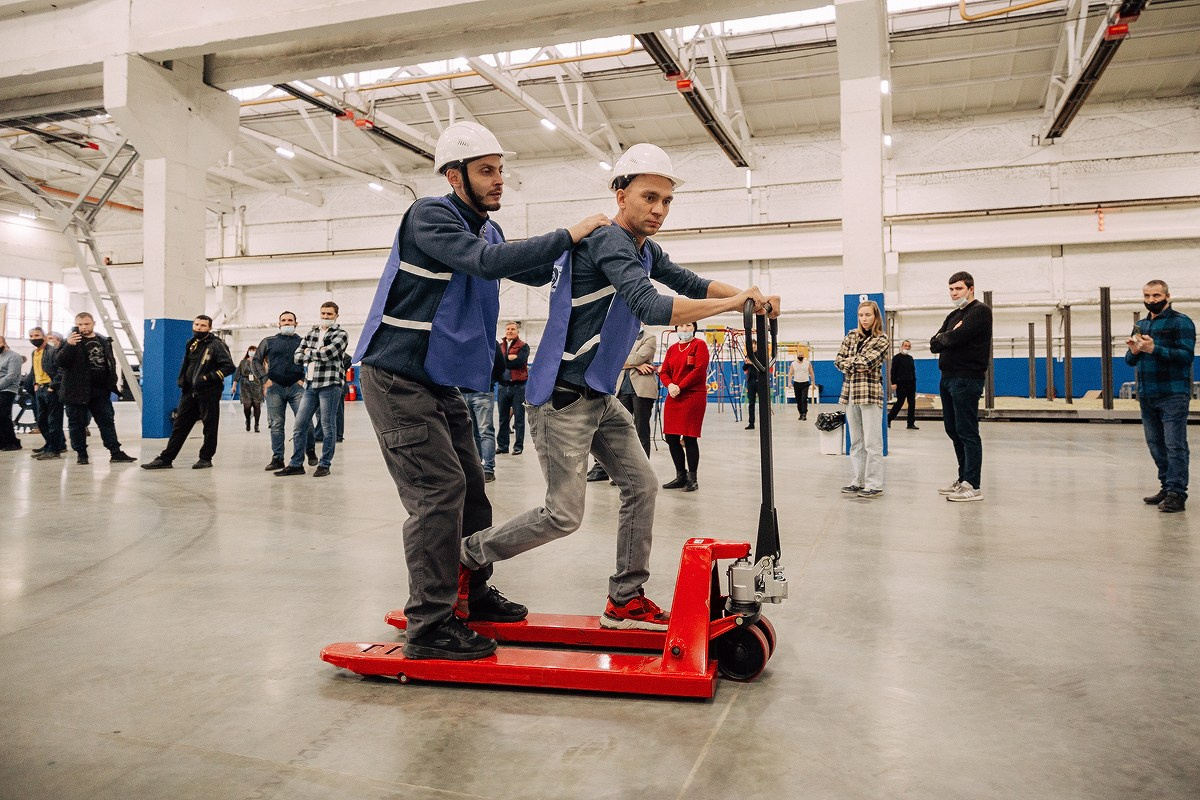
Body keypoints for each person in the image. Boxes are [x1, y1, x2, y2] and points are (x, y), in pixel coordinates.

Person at [460, 142, 778, 633]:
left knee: (642, 486)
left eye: (667, 201)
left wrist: (745, 297)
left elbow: (689, 282)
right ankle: (466, 557)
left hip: (597, 395)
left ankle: (625, 598)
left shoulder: (644, 248)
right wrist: (733, 304)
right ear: (620, 193)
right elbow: (651, 306)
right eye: (650, 197)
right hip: (563, 400)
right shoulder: (608, 241)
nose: (659, 210)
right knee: (562, 515)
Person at [355, 120, 611, 660]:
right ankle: (429, 625)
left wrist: (594, 253)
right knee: (437, 494)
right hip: (397, 377)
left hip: (437, 378)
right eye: (486, 171)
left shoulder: (486, 228)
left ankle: (472, 591)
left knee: (472, 488)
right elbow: (484, 262)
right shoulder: (430, 216)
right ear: (454, 176)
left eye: (500, 170)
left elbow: (530, 267)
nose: (499, 180)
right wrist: (568, 234)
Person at [1126, 279, 1194, 513]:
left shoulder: (1181, 322)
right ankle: (1166, 486)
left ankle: (1177, 493)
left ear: (1167, 296)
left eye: (1156, 296)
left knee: (1174, 444)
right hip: (1147, 394)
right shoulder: (1141, 325)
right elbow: (1129, 359)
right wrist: (1135, 351)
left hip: (1173, 393)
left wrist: (1155, 349)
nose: (1151, 300)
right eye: (1147, 296)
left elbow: (1186, 356)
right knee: (1155, 444)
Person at [930, 271, 993, 503]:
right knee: (953, 429)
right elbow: (934, 343)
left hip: (967, 378)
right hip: (947, 377)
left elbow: (955, 338)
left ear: (971, 289)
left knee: (967, 431)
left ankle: (973, 485)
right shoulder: (953, 315)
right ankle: (962, 478)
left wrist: (947, 338)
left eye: (958, 289)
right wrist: (948, 336)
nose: (954, 293)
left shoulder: (980, 312)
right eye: (951, 289)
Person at [142, 315, 235, 470]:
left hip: (208, 392)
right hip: (189, 392)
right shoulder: (191, 343)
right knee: (179, 426)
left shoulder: (217, 345)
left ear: (209, 328)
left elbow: (229, 367)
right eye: (197, 324)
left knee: (209, 427)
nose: (199, 328)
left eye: (203, 326)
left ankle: (205, 458)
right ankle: (166, 459)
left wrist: (207, 378)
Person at [275, 301, 349, 478]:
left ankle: (324, 464)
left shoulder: (341, 334)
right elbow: (297, 357)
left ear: (336, 316)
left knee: (327, 426)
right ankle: (296, 464)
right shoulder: (312, 333)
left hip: (330, 385)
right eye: (323, 313)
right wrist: (315, 351)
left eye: (329, 314)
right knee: (299, 425)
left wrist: (310, 352)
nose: (325, 316)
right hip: (310, 385)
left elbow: (328, 354)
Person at [56, 312, 138, 465]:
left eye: (86, 324)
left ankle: (115, 452)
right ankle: (82, 454)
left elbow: (110, 362)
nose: (83, 327)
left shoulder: (103, 340)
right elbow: (61, 362)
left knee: (106, 421)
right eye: (80, 324)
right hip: (76, 391)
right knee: (77, 423)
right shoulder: (69, 342)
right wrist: (69, 345)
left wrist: (111, 381)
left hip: (100, 390)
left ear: (93, 323)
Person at [588, 327, 660, 482]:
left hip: (642, 389)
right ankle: (620, 472)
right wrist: (635, 364)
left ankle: (641, 473)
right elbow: (613, 359)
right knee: (619, 431)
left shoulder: (650, 337)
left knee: (641, 431)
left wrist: (630, 362)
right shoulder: (622, 336)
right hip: (622, 389)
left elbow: (633, 358)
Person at [835, 300, 889, 499]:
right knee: (856, 441)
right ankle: (857, 481)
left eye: (868, 315)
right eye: (861, 315)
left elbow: (868, 361)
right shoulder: (851, 335)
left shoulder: (881, 339)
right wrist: (853, 363)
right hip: (850, 394)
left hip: (870, 394)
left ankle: (874, 484)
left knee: (872, 442)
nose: (864, 319)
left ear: (875, 317)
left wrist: (850, 362)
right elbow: (838, 361)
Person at [255, 311, 317, 472]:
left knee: (306, 423)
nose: (287, 323)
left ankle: (310, 450)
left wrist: (305, 380)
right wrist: (264, 379)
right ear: (279, 323)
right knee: (276, 424)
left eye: (290, 320)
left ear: (296, 323)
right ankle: (277, 458)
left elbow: (314, 361)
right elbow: (256, 360)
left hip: (297, 387)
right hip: (275, 388)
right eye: (284, 320)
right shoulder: (269, 341)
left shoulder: (303, 342)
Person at [659, 322, 709, 492]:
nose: (684, 329)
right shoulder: (672, 349)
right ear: (676, 329)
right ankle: (681, 475)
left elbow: (699, 370)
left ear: (694, 328)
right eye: (680, 326)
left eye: (688, 325)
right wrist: (670, 385)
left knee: (689, 437)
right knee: (671, 437)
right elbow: (664, 371)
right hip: (674, 394)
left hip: (693, 395)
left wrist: (679, 386)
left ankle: (692, 479)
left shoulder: (699, 345)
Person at [461, 340, 504, 483]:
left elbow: (500, 366)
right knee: (473, 432)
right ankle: (477, 467)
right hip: (465, 392)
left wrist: (489, 381)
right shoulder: (489, 341)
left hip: (480, 392)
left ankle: (488, 468)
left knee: (485, 432)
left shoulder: (490, 342)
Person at [28, 327, 66, 457]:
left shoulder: (52, 351)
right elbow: (34, 370)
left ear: (44, 336)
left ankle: (54, 450)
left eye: (37, 335)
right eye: (31, 336)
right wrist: (35, 384)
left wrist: (53, 386)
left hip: (51, 389)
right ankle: (50, 444)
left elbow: (61, 370)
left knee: (53, 420)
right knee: (41, 420)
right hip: (40, 389)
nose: (34, 338)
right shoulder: (34, 353)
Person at [495, 321, 528, 456]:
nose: (510, 331)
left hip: (518, 387)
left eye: (512, 329)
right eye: (508, 329)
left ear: (517, 331)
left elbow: (519, 362)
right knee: (503, 419)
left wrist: (506, 361)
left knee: (519, 419)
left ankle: (518, 446)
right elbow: (498, 362)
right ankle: (503, 446)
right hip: (503, 386)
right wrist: (508, 359)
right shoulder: (501, 345)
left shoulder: (524, 346)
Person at [888, 339, 918, 430]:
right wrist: (893, 382)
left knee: (912, 404)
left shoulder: (910, 358)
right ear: (902, 346)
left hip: (911, 383)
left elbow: (912, 371)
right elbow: (893, 371)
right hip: (901, 384)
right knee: (899, 403)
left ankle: (910, 423)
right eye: (905, 346)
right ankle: (888, 419)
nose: (907, 347)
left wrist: (914, 381)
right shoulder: (897, 358)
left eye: (909, 346)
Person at [0, 335, 22, 451]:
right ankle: (2, 442)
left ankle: (13, 442)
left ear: (4, 343)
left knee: (3, 415)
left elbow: (11, 376)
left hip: (8, 390)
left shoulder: (14, 356)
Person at [236, 344, 265, 432]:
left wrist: (265, 387)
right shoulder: (243, 362)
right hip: (245, 385)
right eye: (251, 350)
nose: (252, 352)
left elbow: (264, 374)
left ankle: (256, 425)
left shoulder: (260, 362)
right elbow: (237, 374)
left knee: (257, 406)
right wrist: (234, 386)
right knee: (247, 406)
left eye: (254, 351)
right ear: (248, 352)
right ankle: (248, 420)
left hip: (257, 385)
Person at [790, 349, 815, 420]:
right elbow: (790, 373)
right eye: (799, 355)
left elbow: (811, 373)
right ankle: (800, 413)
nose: (800, 356)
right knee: (798, 399)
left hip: (805, 383)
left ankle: (804, 413)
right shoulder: (793, 364)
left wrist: (813, 383)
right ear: (797, 356)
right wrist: (789, 382)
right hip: (796, 383)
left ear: (803, 356)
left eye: (801, 355)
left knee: (804, 398)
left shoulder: (807, 363)